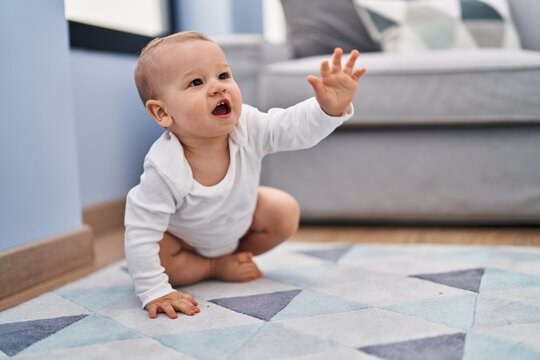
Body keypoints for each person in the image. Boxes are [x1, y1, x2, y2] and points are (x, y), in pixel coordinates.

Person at [125, 31, 366, 319]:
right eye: (196, 82)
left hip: (237, 228)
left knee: (282, 210)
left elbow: (289, 127)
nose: (217, 88)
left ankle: (231, 257)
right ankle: (213, 267)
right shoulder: (164, 167)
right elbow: (141, 230)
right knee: (154, 254)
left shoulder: (247, 125)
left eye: (224, 75)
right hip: (183, 245)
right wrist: (155, 290)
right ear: (162, 112)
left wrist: (328, 108)